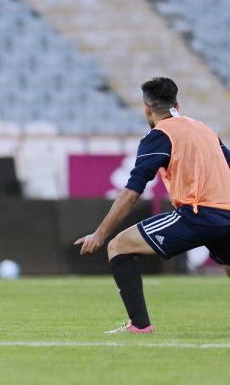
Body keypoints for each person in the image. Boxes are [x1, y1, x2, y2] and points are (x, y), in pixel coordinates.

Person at [75, 77, 230, 333]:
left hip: (197, 214)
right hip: (226, 214)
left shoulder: (159, 136)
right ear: (177, 104)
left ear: (147, 109)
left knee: (118, 247)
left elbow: (132, 191)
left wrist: (100, 234)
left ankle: (139, 326)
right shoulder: (204, 129)